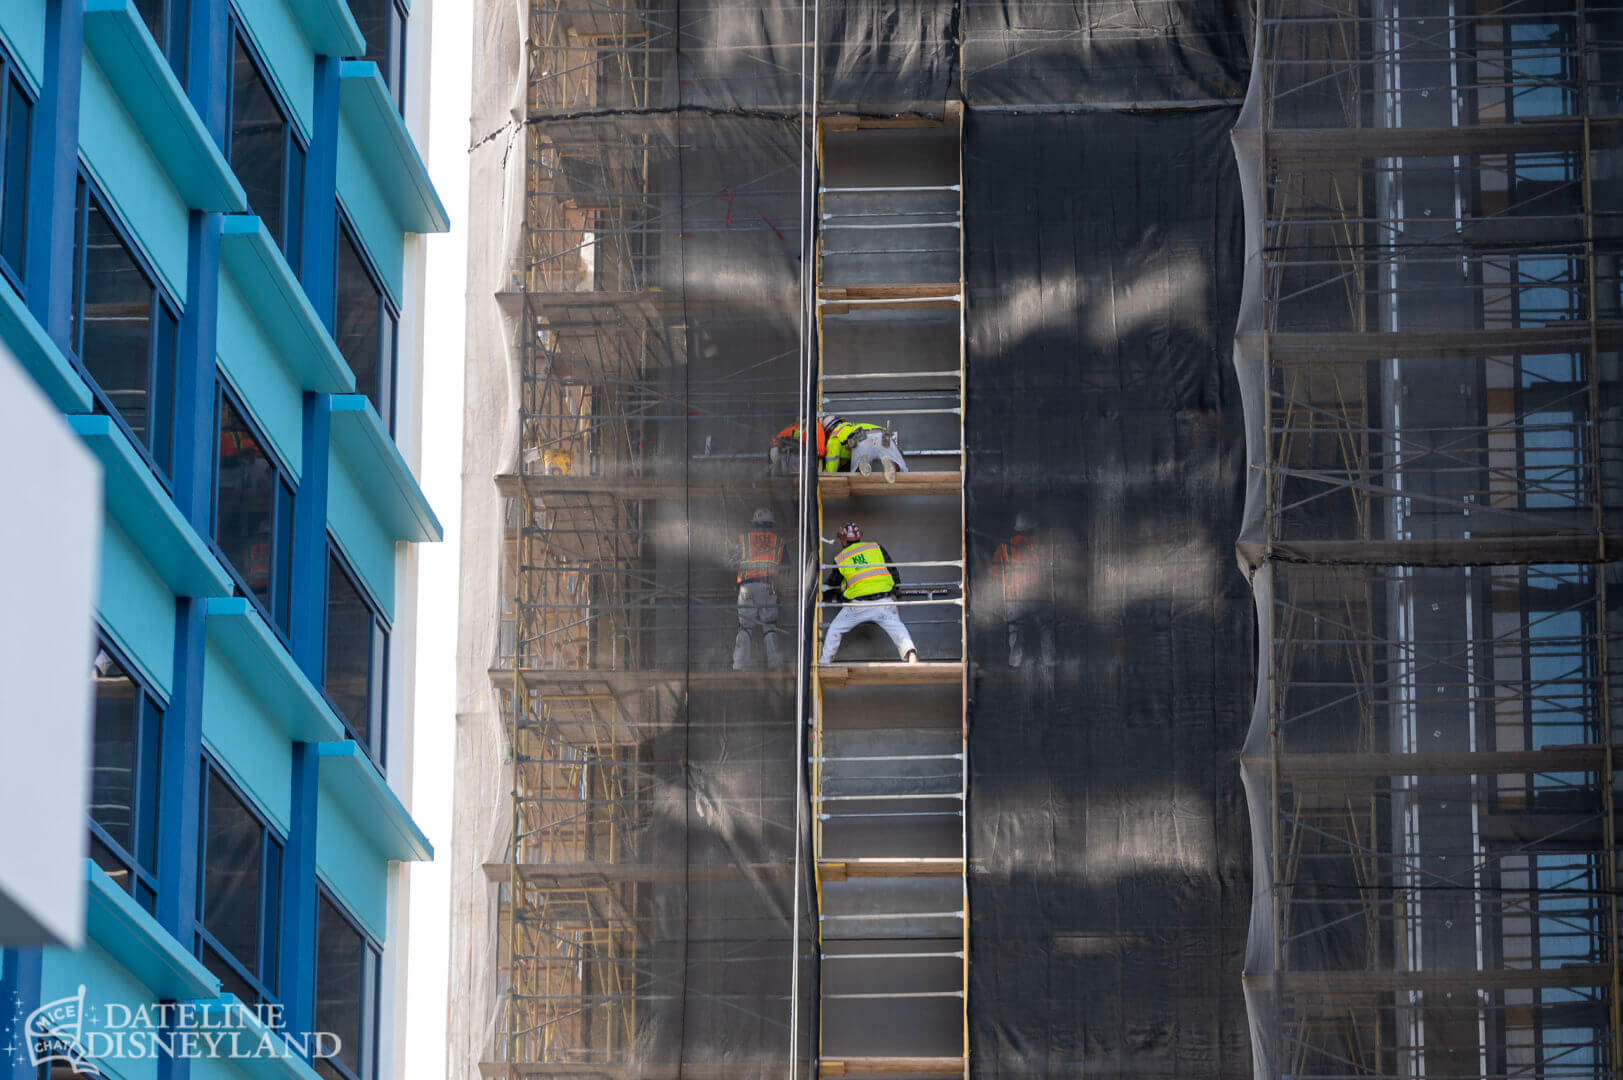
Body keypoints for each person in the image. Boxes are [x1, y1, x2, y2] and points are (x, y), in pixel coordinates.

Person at [819, 521, 918, 664]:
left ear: (843, 539)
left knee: (835, 628)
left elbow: (832, 583)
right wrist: (895, 592)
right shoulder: (875, 547)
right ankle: (911, 654)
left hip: (858, 606)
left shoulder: (841, 557)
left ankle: (825, 661)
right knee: (897, 628)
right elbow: (893, 570)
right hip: (884, 601)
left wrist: (819, 594)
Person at [993, 511, 1053, 669]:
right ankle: (1050, 661)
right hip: (1039, 597)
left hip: (1014, 598)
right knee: (1046, 629)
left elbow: (994, 574)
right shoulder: (1042, 547)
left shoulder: (1004, 547)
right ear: (1033, 528)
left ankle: (1015, 663)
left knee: (1015, 633)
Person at [729, 508, 787, 669]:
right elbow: (786, 566)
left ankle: (739, 665)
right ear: (771, 524)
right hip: (768, 587)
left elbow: (732, 563)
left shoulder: (744, 540)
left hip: (747, 587)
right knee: (769, 626)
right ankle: (775, 663)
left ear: (754, 523)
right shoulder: (778, 541)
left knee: (745, 626)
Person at [824, 417, 908, 480]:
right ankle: (894, 464)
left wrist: (823, 474)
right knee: (900, 466)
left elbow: (831, 467)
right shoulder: (852, 426)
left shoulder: (834, 438)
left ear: (828, 430)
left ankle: (861, 468)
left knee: (856, 476)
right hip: (883, 434)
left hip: (861, 438)